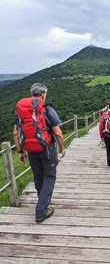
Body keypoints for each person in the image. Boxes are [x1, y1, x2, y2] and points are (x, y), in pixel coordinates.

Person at [13, 83, 65, 223]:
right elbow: (58, 133)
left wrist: (20, 152)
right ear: (43, 95)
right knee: (49, 176)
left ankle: (42, 202)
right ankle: (41, 210)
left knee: (38, 176)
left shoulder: (21, 110)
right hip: (47, 148)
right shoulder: (47, 109)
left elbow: (16, 133)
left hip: (30, 149)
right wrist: (62, 148)